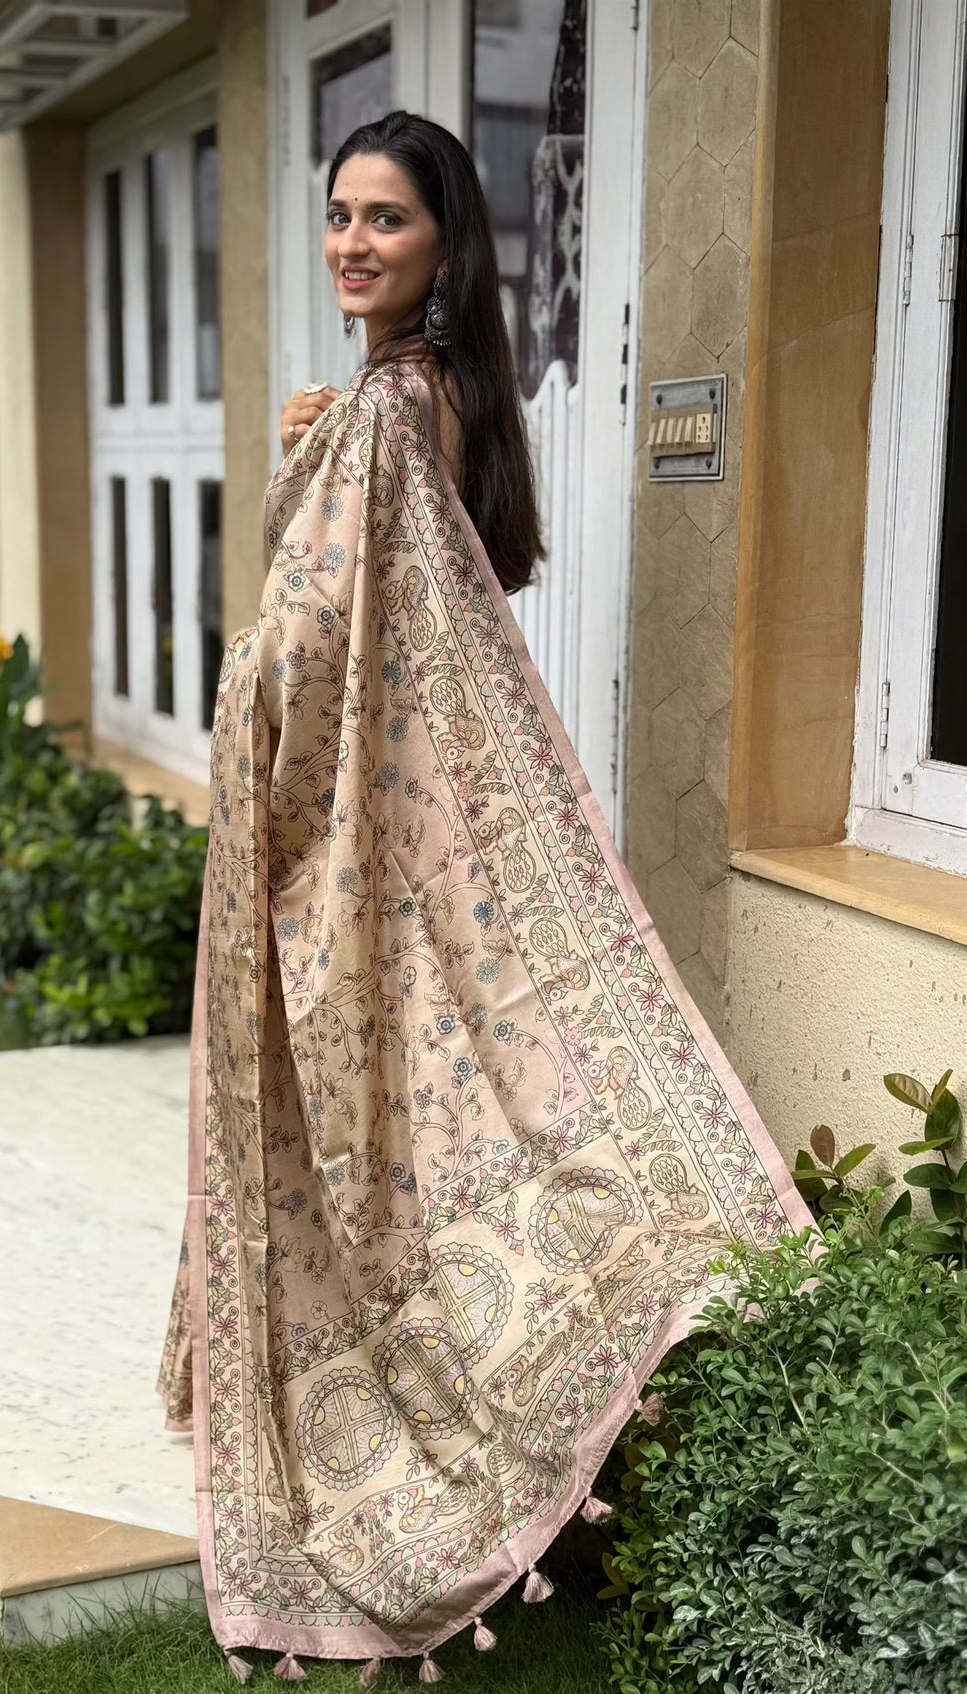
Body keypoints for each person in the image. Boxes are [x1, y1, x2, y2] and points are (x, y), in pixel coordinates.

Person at [157, 111, 809, 1684]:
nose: (354, 244)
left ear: (447, 243)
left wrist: (272, 601)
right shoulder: (427, 400)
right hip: (378, 833)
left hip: (346, 839)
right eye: (339, 216)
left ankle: (441, 1447)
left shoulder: (392, 410)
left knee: (390, 1139)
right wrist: (306, 467)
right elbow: (355, 587)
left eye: (388, 219)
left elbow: (312, 647)